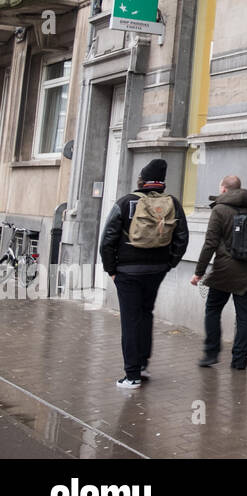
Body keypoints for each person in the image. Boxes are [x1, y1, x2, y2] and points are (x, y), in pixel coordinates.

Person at [100, 158, 189, 388]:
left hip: (127, 271)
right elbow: (182, 238)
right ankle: (142, 365)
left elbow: (107, 240)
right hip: (156, 270)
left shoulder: (125, 202)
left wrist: (111, 270)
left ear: (141, 180)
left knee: (130, 320)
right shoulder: (173, 203)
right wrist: (169, 263)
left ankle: (131, 376)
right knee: (146, 314)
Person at [191, 175, 247, 370]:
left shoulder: (219, 210)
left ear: (224, 190)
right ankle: (240, 360)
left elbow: (210, 244)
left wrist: (199, 272)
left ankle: (211, 353)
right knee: (244, 315)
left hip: (224, 271)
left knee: (213, 309)